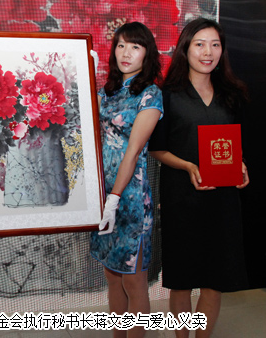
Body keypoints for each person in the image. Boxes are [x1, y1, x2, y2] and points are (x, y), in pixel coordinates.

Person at [149, 17, 250, 338]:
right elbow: (157, 149)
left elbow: (235, 145)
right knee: (182, 281)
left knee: (214, 281)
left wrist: (241, 165)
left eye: (215, 45)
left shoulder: (232, 94)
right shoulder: (168, 95)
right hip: (182, 198)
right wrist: (188, 166)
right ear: (185, 49)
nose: (208, 52)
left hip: (223, 200)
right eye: (200, 44)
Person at [90, 22, 163, 338]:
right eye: (120, 45)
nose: (126, 53)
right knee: (112, 275)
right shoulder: (106, 92)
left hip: (129, 200)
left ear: (147, 54)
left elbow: (133, 152)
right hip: (102, 196)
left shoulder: (150, 94)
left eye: (135, 46)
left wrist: (115, 198)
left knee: (134, 281)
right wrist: (82, 72)